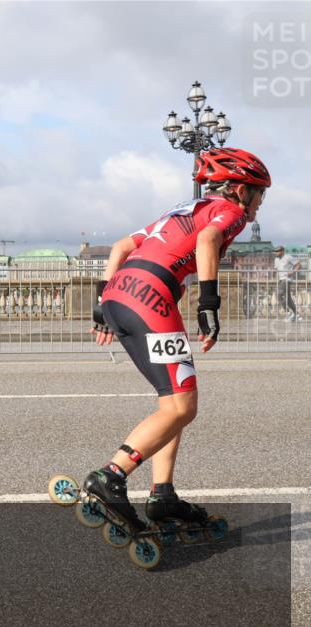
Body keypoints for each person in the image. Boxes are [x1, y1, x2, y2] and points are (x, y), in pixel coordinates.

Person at [85, 147, 271, 532]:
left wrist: (101, 303)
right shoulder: (230, 211)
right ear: (240, 190)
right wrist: (209, 304)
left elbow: (121, 247)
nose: (260, 203)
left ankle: (163, 493)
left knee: (172, 402)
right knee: (183, 405)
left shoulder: (181, 209)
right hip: (151, 297)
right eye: (259, 193)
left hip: (118, 294)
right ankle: (110, 476)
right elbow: (208, 239)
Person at [274, 245, 303, 321]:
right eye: (275, 251)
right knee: (288, 298)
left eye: (278, 251)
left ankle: (289, 313)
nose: (276, 252)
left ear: (282, 251)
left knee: (279, 295)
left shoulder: (288, 257)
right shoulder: (276, 259)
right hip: (280, 280)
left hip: (286, 279)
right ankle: (297, 315)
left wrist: (292, 272)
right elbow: (277, 270)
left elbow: (299, 265)